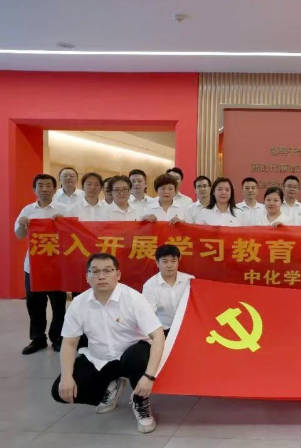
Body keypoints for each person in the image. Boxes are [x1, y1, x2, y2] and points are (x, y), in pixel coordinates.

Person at [51, 253, 165, 434]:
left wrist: (149, 376)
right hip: (100, 358)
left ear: (118, 274)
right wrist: (66, 377)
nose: (101, 276)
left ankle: (141, 402)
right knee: (60, 392)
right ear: (87, 276)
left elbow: (158, 336)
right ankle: (112, 384)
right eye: (95, 271)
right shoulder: (79, 303)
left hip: (132, 356)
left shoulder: (133, 298)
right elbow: (69, 343)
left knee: (138, 356)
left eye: (107, 271)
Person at [14, 174, 69, 354]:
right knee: (34, 304)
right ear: (34, 189)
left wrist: (64, 223)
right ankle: (38, 339)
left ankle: (57, 338)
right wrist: (22, 225)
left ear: (55, 189)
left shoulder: (64, 209)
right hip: (33, 267)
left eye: (48, 185)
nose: (44, 189)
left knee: (58, 306)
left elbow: (73, 237)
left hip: (58, 266)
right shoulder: (27, 210)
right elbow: (19, 235)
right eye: (40, 185)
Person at [142, 245, 194, 334]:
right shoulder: (150, 286)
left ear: (178, 262)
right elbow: (148, 315)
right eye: (165, 261)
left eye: (173, 261)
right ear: (157, 263)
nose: (169, 265)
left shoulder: (189, 280)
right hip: (164, 330)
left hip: (187, 326)